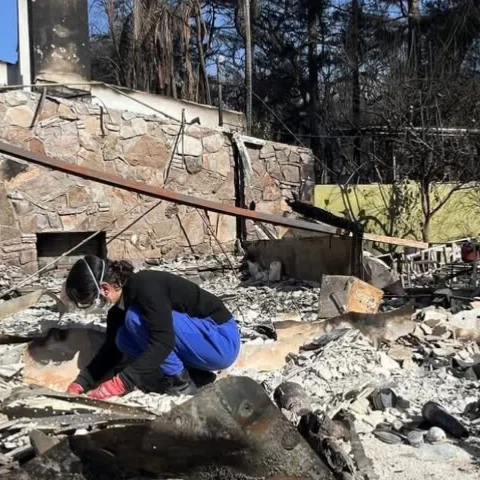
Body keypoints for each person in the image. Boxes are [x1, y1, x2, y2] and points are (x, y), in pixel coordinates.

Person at [64, 255, 240, 399]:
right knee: (122, 339)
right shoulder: (118, 310)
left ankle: (182, 385)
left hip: (221, 340)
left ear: (105, 288)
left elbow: (163, 342)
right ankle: (197, 377)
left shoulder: (145, 285)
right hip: (200, 343)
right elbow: (111, 351)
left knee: (134, 320)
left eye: (89, 301)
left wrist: (120, 383)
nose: (93, 306)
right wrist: (81, 382)